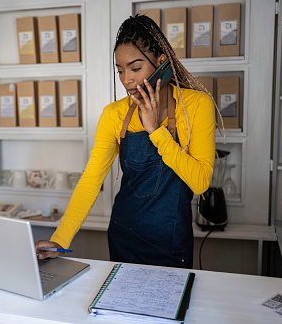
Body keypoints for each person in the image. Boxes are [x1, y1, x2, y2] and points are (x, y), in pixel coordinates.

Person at [35, 14, 218, 268]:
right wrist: (60, 239)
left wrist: (156, 131)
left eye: (135, 68)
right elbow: (90, 180)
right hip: (123, 237)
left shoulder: (197, 106)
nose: (126, 80)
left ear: (161, 62)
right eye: (120, 71)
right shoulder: (114, 115)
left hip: (171, 242)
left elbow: (199, 182)